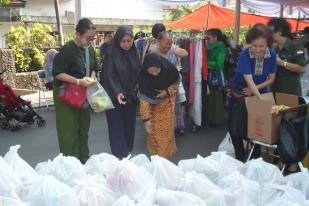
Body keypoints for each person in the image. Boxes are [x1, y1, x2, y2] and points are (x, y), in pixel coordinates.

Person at [229, 23, 277, 162]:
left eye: (261, 46)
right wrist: (263, 101)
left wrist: (257, 94)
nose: (257, 49)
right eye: (254, 45)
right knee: (235, 128)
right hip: (239, 92)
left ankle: (255, 159)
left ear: (268, 44)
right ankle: (239, 158)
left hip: (258, 93)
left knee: (256, 128)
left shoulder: (272, 55)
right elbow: (248, 80)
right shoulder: (245, 55)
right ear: (250, 43)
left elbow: (271, 79)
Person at [52, 18, 97, 163]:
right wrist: (78, 81)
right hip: (66, 93)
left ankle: (83, 158)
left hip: (83, 92)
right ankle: (70, 163)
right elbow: (57, 73)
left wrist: (93, 78)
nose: (90, 41)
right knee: (68, 130)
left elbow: (94, 68)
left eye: (92, 38)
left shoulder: (90, 49)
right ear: (77, 34)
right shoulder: (67, 49)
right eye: (87, 38)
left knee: (83, 127)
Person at [100, 26, 141, 159]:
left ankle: (128, 151)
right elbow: (108, 75)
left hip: (131, 95)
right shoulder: (111, 54)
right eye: (123, 41)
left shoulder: (135, 53)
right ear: (118, 40)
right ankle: (119, 155)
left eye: (129, 41)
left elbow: (139, 72)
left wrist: (137, 87)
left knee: (129, 125)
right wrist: (117, 91)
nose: (126, 44)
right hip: (115, 96)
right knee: (116, 125)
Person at [138, 53, 179, 158]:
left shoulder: (170, 70)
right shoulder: (143, 76)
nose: (154, 74)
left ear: (161, 66)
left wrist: (166, 92)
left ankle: (163, 163)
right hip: (152, 111)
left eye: (157, 70)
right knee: (153, 138)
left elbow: (175, 84)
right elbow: (144, 99)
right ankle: (157, 163)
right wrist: (146, 120)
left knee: (165, 138)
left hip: (167, 108)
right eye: (151, 71)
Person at [153, 31, 188, 135]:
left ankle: (177, 127)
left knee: (175, 107)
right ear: (158, 41)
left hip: (173, 86)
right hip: (160, 87)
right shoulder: (153, 53)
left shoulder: (173, 51)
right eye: (166, 43)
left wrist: (176, 71)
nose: (168, 45)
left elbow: (184, 56)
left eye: (170, 43)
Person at [267, 17, 306, 96]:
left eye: (270, 32)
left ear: (279, 31)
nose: (268, 35)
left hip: (290, 92)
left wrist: (282, 63)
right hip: (274, 91)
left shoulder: (295, 46)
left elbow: (301, 68)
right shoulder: (273, 48)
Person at [205, 28, 228, 126]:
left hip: (217, 76)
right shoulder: (208, 47)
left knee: (216, 98)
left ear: (215, 37)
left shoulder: (221, 47)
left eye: (208, 38)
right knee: (211, 97)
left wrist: (205, 63)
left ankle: (217, 120)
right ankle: (211, 119)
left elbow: (220, 64)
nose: (206, 40)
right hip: (209, 74)